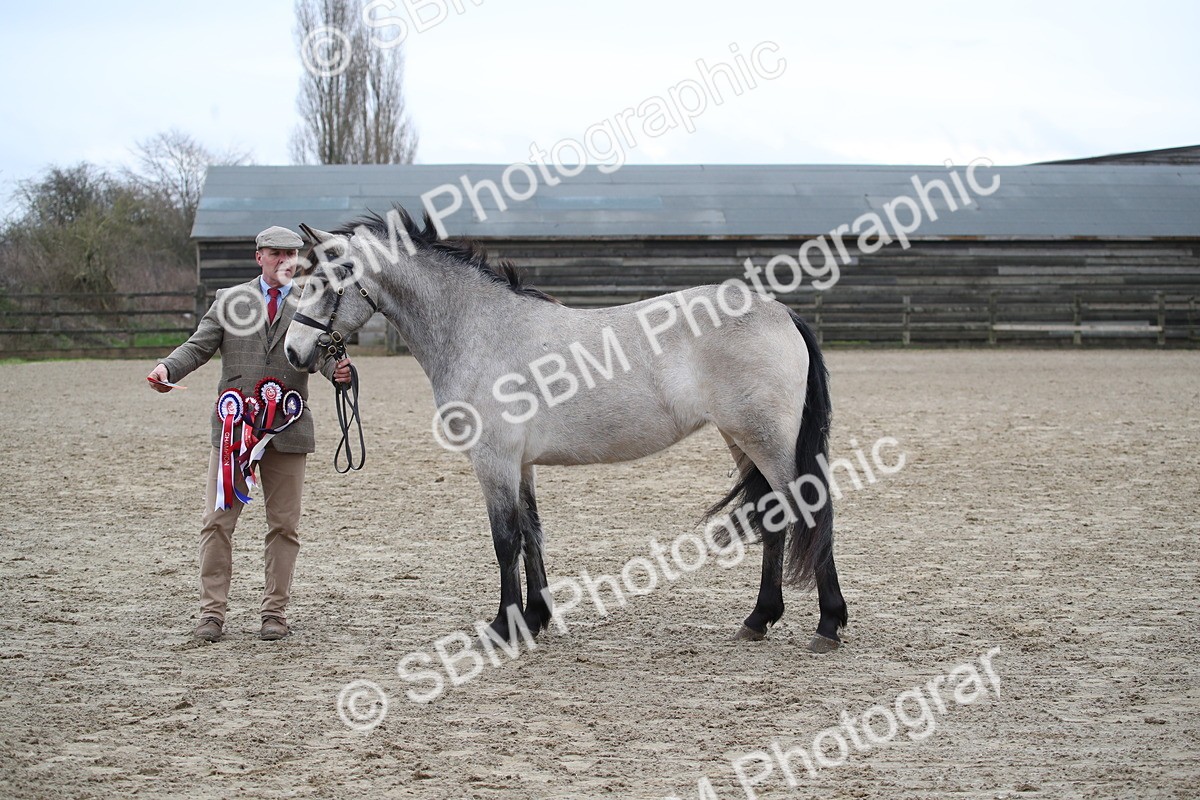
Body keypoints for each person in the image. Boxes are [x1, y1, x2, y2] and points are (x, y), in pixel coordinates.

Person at [147, 225, 352, 642]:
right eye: (276, 253)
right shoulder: (230, 301)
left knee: (284, 526)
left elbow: (324, 355)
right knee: (217, 523)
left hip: (289, 430)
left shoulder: (310, 304)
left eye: (292, 254)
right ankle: (211, 615)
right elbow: (198, 346)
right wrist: (168, 368)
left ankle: (274, 613)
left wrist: (340, 372)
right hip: (234, 432)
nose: (286, 261)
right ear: (258, 256)